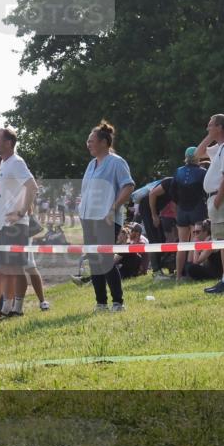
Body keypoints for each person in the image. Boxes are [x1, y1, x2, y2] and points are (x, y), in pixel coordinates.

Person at [79, 121, 135, 312]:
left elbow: (128, 186)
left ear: (104, 142)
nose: (88, 144)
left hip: (107, 220)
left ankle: (118, 302)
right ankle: (101, 303)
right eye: (87, 141)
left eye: (91, 140)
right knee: (94, 262)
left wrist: (113, 208)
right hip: (89, 220)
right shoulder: (90, 165)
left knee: (105, 260)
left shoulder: (116, 162)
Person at [0, 127, 38, 317]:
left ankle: (17, 309)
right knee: (6, 269)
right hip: (3, 224)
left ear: (8, 143)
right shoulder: (5, 163)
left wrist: (21, 212)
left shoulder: (17, 162)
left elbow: (32, 186)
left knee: (17, 268)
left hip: (15, 225)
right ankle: (7, 307)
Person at [195, 114, 224, 294]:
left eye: (210, 126)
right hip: (216, 199)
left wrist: (216, 201)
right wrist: (210, 136)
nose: (207, 128)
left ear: (220, 127)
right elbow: (197, 154)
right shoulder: (222, 147)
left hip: (220, 199)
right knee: (221, 239)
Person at [170, 147, 208, 282]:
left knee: (182, 243)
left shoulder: (178, 171)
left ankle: (178, 276)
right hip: (197, 209)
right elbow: (206, 191)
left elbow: (172, 192)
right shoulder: (202, 172)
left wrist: (179, 203)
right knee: (194, 241)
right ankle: (190, 273)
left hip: (182, 210)